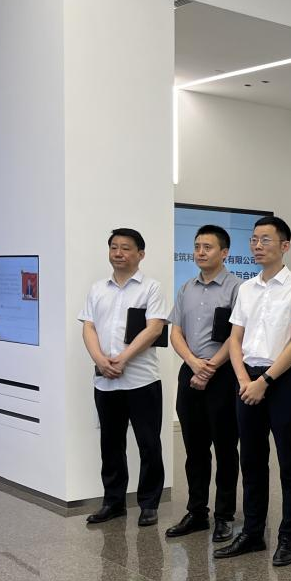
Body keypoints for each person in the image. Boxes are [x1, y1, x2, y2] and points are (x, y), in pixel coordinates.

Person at [214, 216, 291, 568]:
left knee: (289, 462)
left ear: (285, 246)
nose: (257, 246)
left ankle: (289, 537)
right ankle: (253, 532)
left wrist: (265, 382)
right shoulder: (246, 289)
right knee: (251, 460)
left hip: (281, 381)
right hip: (247, 381)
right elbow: (235, 339)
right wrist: (244, 380)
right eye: (254, 240)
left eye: (265, 240)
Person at [78, 228, 170, 527]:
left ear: (140, 254)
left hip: (142, 380)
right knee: (110, 442)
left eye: (126, 248)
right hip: (105, 379)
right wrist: (100, 360)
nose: (118, 253)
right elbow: (88, 326)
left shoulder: (151, 288)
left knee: (148, 443)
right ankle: (113, 502)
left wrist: (123, 358)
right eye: (114, 247)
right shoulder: (97, 289)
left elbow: (154, 328)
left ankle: (149, 504)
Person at [165, 224, 242, 543]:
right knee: (194, 448)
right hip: (191, 372)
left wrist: (210, 367)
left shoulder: (237, 289)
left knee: (225, 448)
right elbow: (175, 332)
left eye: (207, 247)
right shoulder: (186, 288)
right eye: (197, 246)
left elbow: (238, 335)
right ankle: (197, 512)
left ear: (224, 253)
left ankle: (224, 515)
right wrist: (194, 363)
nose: (200, 252)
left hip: (223, 375)